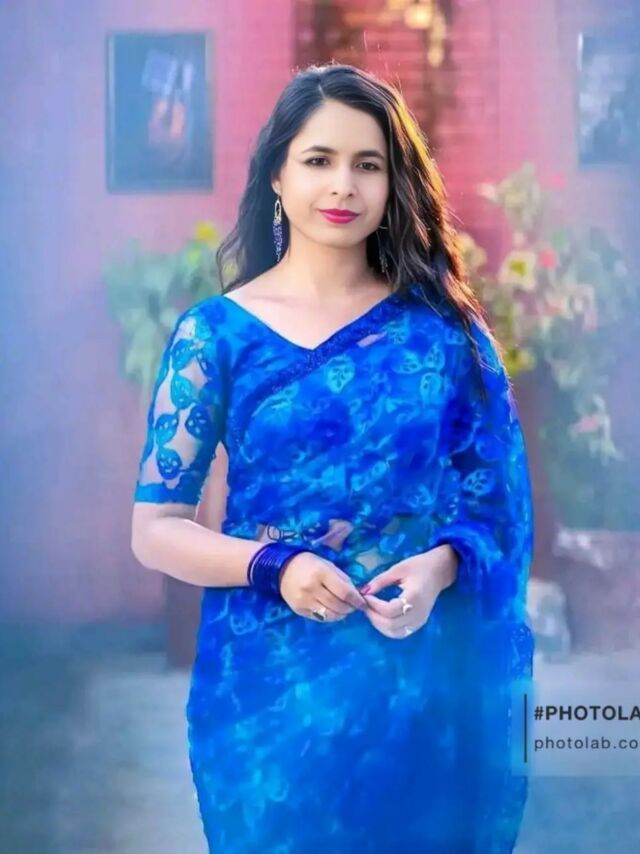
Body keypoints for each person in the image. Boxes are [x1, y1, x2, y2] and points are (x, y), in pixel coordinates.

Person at [131, 62, 535, 853]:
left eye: (367, 164)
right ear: (277, 176)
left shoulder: (444, 334)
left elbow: (497, 507)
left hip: (420, 686)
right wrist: (273, 566)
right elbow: (156, 528)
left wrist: (438, 570)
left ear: (394, 183)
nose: (343, 185)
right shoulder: (215, 336)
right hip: (267, 702)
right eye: (319, 160)